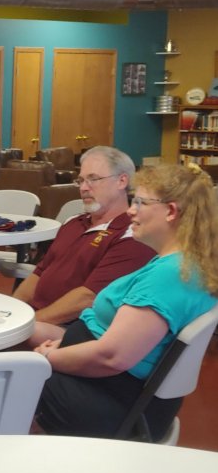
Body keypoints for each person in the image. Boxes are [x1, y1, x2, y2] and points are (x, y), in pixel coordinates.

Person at [33, 163, 218, 440]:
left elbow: (111, 357)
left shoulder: (170, 275)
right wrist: (63, 348)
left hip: (111, 402)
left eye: (141, 202)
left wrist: (48, 359)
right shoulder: (179, 264)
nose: (131, 210)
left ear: (171, 211)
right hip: (112, 391)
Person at [13, 146, 154, 333]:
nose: (83, 188)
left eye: (93, 179)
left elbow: (88, 298)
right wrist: (11, 312)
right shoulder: (73, 222)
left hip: (75, 328)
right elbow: (39, 273)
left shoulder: (132, 235)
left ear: (122, 181)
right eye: (80, 180)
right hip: (37, 317)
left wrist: (24, 324)